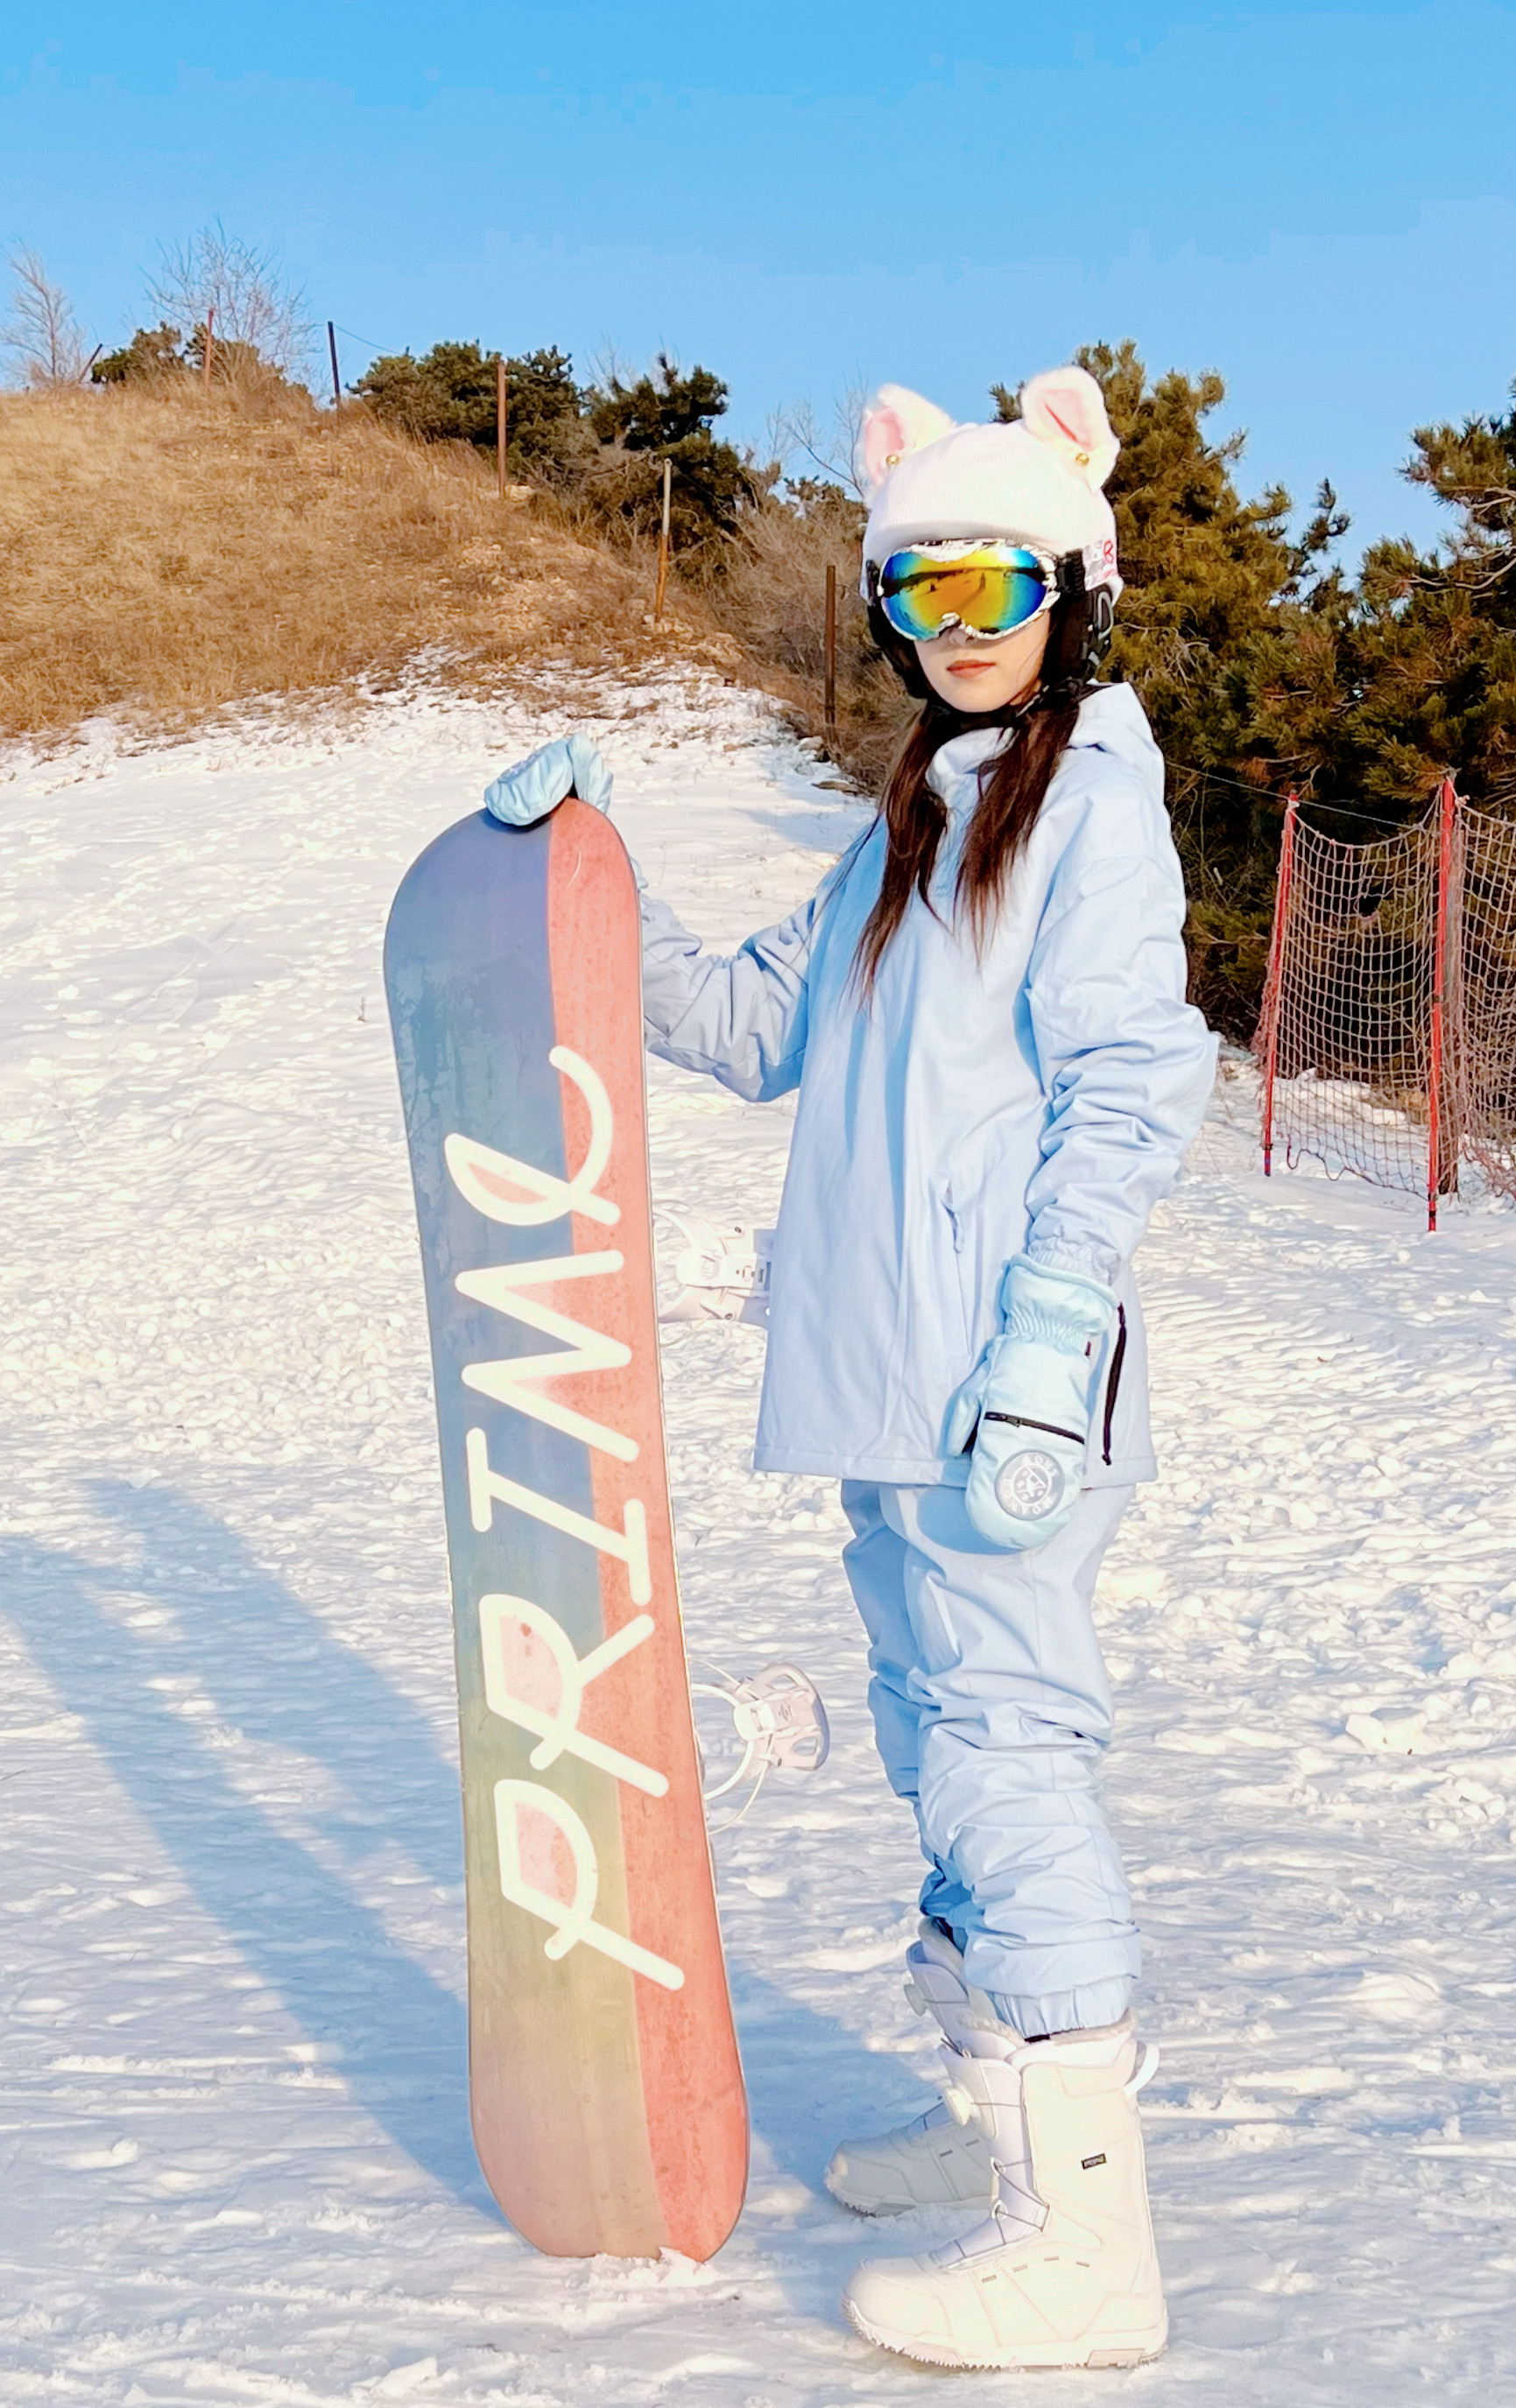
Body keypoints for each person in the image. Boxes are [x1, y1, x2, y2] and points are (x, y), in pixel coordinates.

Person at [480, 367, 1216, 2370]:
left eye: (995, 582)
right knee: (928, 1738)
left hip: (1001, 1384)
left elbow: (1140, 1070)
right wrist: (588, 876)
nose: (958, 624)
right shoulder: (906, 819)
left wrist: (1057, 1335)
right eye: (919, 592)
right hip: (889, 1388)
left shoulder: (1089, 794)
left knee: (1003, 1747)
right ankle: (985, 2114)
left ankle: (1085, 2243)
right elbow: (742, 1026)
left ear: (1070, 582)